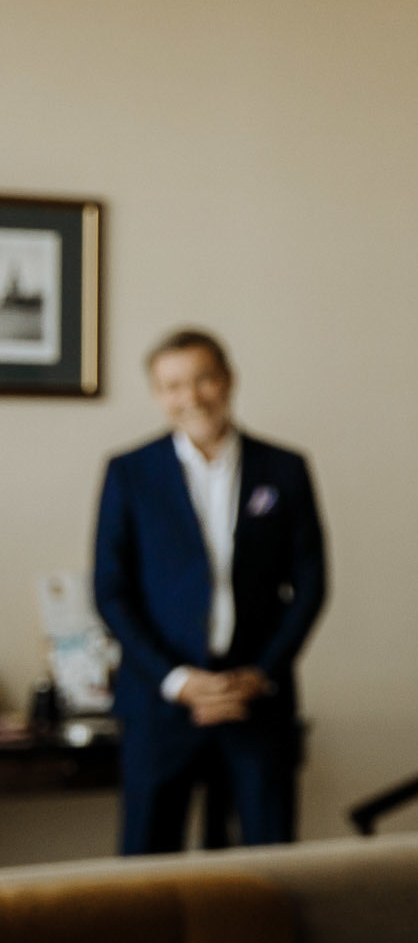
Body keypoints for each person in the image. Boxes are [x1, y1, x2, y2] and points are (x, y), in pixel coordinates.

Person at [94, 327, 326, 853]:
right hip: (160, 703)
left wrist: (259, 675)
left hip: (257, 702)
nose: (191, 396)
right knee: (146, 866)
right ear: (158, 394)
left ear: (227, 380)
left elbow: (310, 584)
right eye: (173, 385)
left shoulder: (285, 469)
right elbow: (111, 590)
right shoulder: (128, 473)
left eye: (203, 379)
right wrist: (178, 680)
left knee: (266, 864)